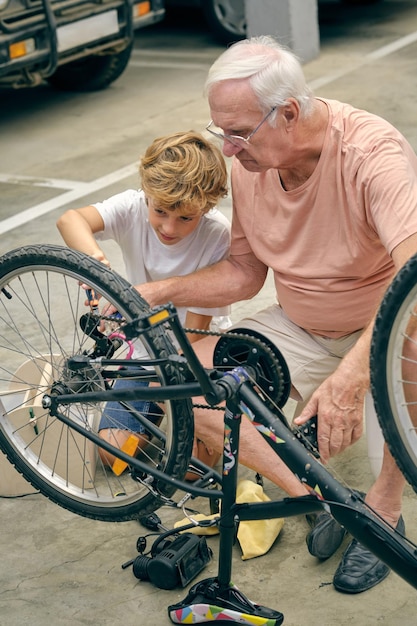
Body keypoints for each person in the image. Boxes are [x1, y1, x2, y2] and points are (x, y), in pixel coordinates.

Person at [135, 36, 417, 594]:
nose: (230, 150)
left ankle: (384, 510)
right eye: (222, 132)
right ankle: (315, 498)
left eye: (238, 133)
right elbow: (244, 270)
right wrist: (155, 290)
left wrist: (355, 373)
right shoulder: (252, 164)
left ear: (288, 113)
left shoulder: (369, 154)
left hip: (383, 333)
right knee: (189, 381)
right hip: (300, 326)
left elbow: (414, 271)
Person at [57, 130, 231, 480]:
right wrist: (96, 266)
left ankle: (181, 423)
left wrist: (164, 392)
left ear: (208, 206)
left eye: (186, 218)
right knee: (110, 456)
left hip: (197, 355)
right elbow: (70, 220)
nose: (169, 226)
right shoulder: (133, 207)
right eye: (161, 211)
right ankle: (151, 421)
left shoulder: (217, 234)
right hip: (145, 356)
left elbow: (196, 336)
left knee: (194, 471)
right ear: (147, 194)